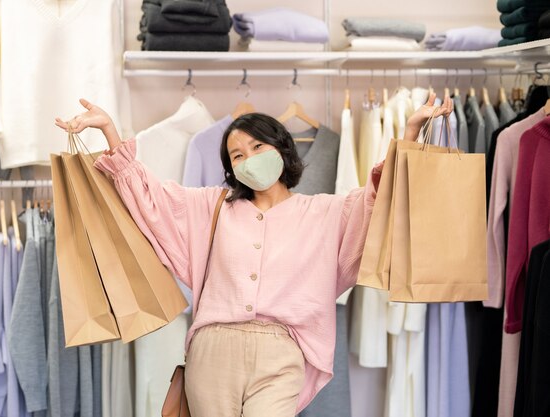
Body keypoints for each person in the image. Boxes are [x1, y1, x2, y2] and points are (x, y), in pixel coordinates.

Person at [55, 94, 453, 417]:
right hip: (212, 354)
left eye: (256, 146)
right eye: (237, 155)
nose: (247, 158)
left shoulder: (326, 212)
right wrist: (110, 130)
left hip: (281, 353)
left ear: (281, 148)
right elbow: (150, 200)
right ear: (230, 169)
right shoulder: (211, 207)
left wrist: (412, 131)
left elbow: (379, 201)